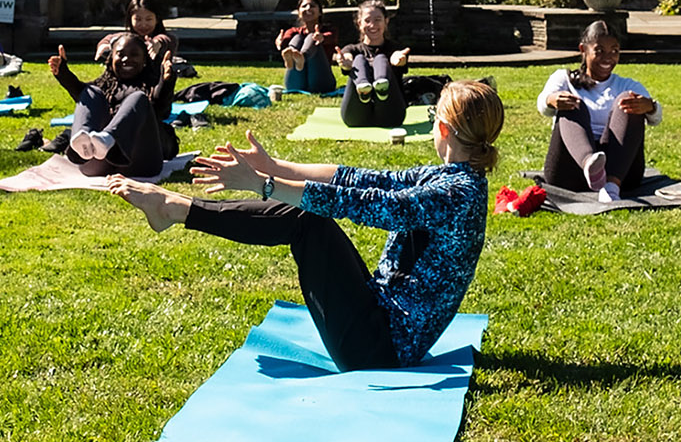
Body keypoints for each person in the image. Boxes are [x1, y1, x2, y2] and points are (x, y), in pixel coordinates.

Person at [107, 80, 504, 372]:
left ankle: (174, 209)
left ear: (444, 130)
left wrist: (264, 185)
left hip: (382, 351)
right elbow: (359, 179)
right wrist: (276, 168)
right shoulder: (453, 180)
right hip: (381, 322)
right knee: (310, 216)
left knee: (304, 219)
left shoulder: (458, 195)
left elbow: (374, 205)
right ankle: (175, 209)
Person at [536, 20, 661, 200]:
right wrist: (551, 99)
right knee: (572, 102)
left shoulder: (627, 84)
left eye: (614, 51)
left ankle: (611, 187)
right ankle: (590, 165)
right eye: (600, 51)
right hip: (569, 172)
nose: (608, 57)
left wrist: (650, 106)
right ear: (583, 49)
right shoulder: (564, 78)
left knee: (629, 101)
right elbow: (542, 105)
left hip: (620, 172)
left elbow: (656, 118)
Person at [49, 32, 179, 177]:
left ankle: (108, 138)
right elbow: (81, 95)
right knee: (91, 91)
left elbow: (160, 109)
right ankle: (82, 143)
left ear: (145, 60)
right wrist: (63, 73)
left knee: (138, 98)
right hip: (95, 165)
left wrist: (166, 81)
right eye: (120, 54)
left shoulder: (151, 85)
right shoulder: (103, 86)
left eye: (134, 55)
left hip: (140, 165)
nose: (126, 59)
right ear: (111, 58)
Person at [338, 0, 410, 129]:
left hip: (390, 116)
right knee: (359, 59)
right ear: (359, 24)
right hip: (355, 117)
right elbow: (347, 56)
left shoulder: (395, 49)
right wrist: (347, 63)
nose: (372, 25)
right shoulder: (352, 50)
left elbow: (397, 56)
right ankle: (363, 89)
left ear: (386, 22)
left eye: (377, 20)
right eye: (367, 21)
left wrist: (398, 61)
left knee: (381, 58)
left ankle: (382, 88)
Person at [277, 0, 337, 95]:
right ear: (299, 12)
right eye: (304, 6)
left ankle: (302, 56)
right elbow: (286, 38)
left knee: (311, 37)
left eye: (312, 6)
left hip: (321, 83)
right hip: (295, 84)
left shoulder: (329, 30)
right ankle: (293, 56)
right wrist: (281, 42)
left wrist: (321, 38)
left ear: (320, 12)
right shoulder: (294, 31)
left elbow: (331, 37)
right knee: (297, 38)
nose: (308, 8)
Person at [95, 0, 177, 64]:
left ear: (157, 20)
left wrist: (157, 44)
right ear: (130, 19)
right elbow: (111, 38)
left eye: (148, 19)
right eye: (138, 19)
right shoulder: (127, 38)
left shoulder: (167, 39)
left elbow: (166, 40)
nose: (143, 25)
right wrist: (104, 45)